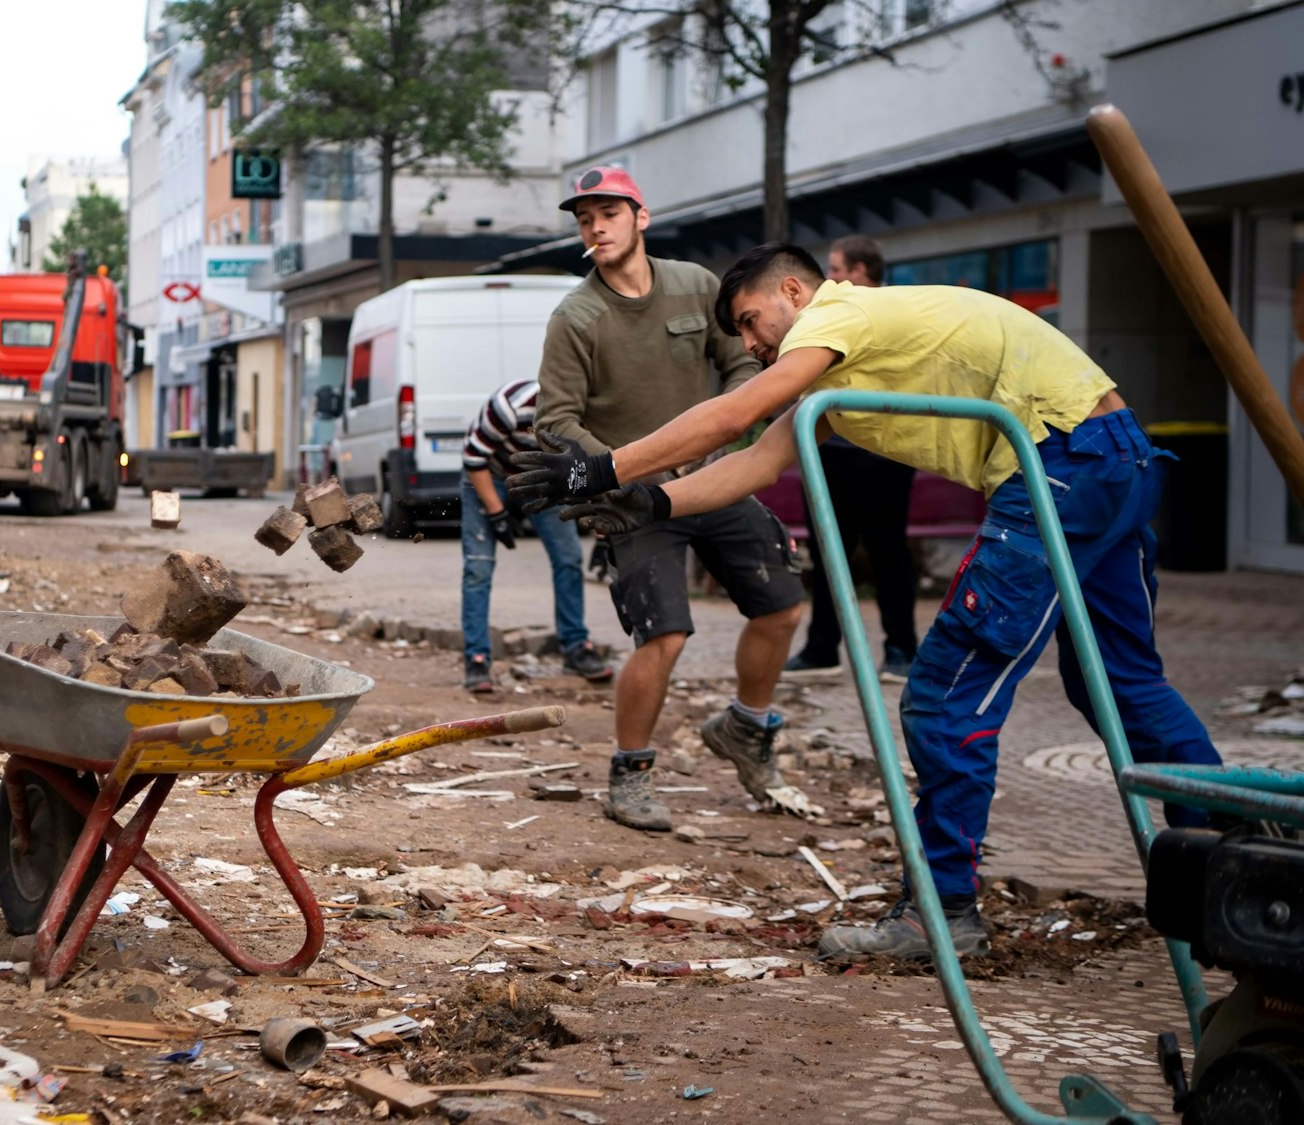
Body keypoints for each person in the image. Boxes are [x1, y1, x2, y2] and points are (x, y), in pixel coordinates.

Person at [509, 242, 1223, 959]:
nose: (752, 345)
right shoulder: (840, 371)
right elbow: (756, 459)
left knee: (944, 694)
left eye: (754, 323)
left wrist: (599, 468)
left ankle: (941, 912)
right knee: (1119, 683)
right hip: (1114, 457)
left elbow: (735, 415)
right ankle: (1232, 854)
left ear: (795, 290)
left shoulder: (842, 310)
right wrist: (652, 502)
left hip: (1060, 462)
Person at [534, 165, 807, 834]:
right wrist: (625, 477)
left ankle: (746, 727)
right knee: (666, 633)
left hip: (714, 478)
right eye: (584, 217)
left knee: (783, 606)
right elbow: (555, 421)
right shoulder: (577, 317)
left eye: (609, 212)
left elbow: (745, 360)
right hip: (634, 501)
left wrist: (726, 427)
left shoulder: (695, 285)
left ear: (641, 218)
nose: (595, 226)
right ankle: (630, 773)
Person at [785, 235, 920, 683]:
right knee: (828, 553)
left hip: (883, 457)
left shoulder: (890, 316)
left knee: (889, 555)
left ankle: (901, 650)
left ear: (861, 272)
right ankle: (823, 648)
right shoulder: (831, 319)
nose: (830, 278)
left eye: (837, 269)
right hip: (833, 454)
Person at [460, 379, 615, 693]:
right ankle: (476, 658)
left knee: (569, 559)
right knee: (479, 566)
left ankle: (576, 647)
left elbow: (595, 473)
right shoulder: (508, 407)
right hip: (489, 477)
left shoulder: (590, 416)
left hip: (544, 481)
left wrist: (602, 535)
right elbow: (473, 459)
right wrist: (497, 513)